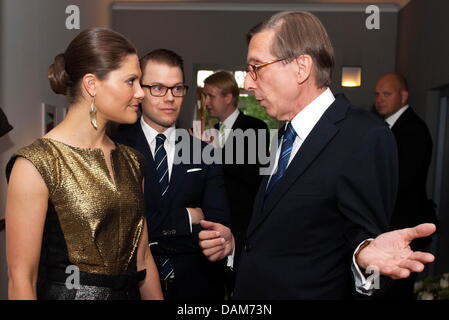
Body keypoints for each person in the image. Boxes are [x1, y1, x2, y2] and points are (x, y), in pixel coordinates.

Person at [198, 11, 436, 299]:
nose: (248, 83)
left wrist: (363, 259)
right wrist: (235, 244)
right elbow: (288, 230)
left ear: (301, 67)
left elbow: (367, 244)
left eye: (256, 67)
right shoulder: (286, 133)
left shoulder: (364, 136)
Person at [5, 28, 163, 300]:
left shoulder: (133, 161)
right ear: (92, 84)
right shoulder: (36, 163)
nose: (141, 93)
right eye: (131, 81)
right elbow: (22, 280)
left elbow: (143, 258)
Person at [113, 49, 230, 300]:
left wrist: (151, 226)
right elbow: (118, 234)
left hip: (196, 287)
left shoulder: (205, 153)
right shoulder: (115, 149)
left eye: (177, 88)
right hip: (132, 289)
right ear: (140, 90)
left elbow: (216, 227)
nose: (170, 98)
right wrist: (187, 218)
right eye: (157, 88)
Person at [202, 71, 269, 295]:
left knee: (240, 286)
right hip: (215, 223)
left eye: (211, 96)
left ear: (228, 97)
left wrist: (213, 152)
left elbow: (255, 174)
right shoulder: (213, 130)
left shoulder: (255, 127)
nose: (206, 102)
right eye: (204, 96)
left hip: (242, 224)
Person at [374, 73, 436, 299]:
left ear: (404, 96)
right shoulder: (390, 126)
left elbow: (399, 181)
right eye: (377, 94)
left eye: (386, 94)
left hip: (403, 226)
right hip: (391, 225)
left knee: (395, 291)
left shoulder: (412, 130)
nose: (379, 99)